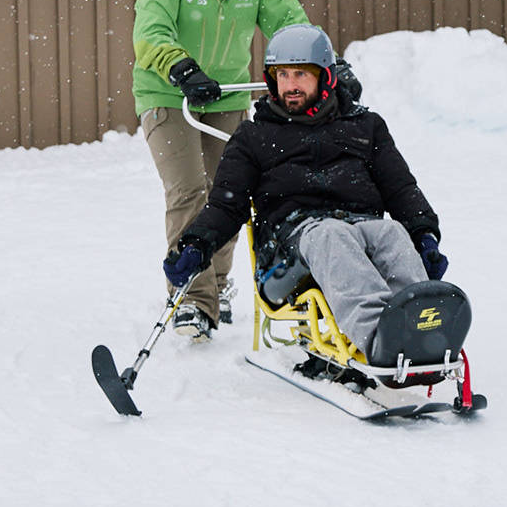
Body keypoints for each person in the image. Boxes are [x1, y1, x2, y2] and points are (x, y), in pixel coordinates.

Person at [159, 24, 448, 362]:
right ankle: (380, 338)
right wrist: (196, 243)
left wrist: (424, 234)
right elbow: (227, 204)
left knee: (391, 232)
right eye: (282, 75)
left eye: (301, 74)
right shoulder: (253, 137)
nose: (291, 85)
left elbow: (401, 189)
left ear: (326, 78)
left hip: (361, 228)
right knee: (330, 235)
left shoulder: (365, 127)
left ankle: (425, 327)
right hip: (286, 258)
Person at [132, 0, 309, 339]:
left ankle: (217, 285)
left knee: (229, 195)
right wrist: (182, 69)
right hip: (169, 95)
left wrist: (314, 63)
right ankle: (192, 298)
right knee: (189, 192)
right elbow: (151, 33)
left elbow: (290, 24)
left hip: (228, 94)